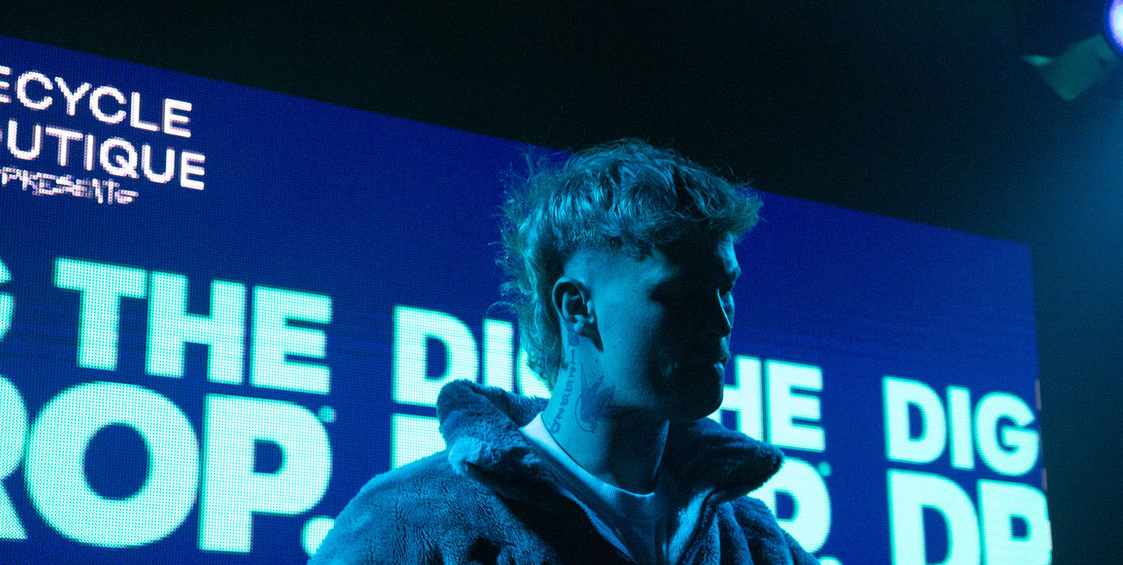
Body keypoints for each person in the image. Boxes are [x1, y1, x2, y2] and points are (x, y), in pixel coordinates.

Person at [310, 140, 817, 564]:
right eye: (681, 294)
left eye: (725, 288)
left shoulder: (759, 546)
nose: (720, 321)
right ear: (577, 308)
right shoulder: (410, 521)